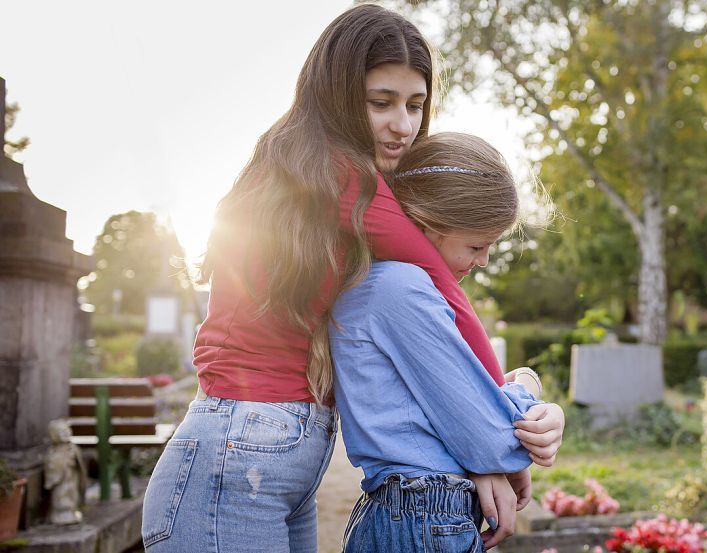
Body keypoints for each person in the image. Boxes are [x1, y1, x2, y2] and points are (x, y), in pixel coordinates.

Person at [141, 5, 562, 552]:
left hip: (267, 461)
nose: (404, 125)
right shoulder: (341, 177)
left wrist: (480, 450)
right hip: (236, 451)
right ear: (338, 94)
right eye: (381, 102)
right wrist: (502, 410)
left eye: (415, 105)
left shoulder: (311, 175)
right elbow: (445, 293)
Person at [331, 132, 555, 553]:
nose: (484, 260)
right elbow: (495, 440)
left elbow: (457, 420)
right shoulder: (400, 288)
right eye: (476, 245)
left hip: (416, 511)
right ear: (428, 223)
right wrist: (529, 388)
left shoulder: (385, 287)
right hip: (421, 514)